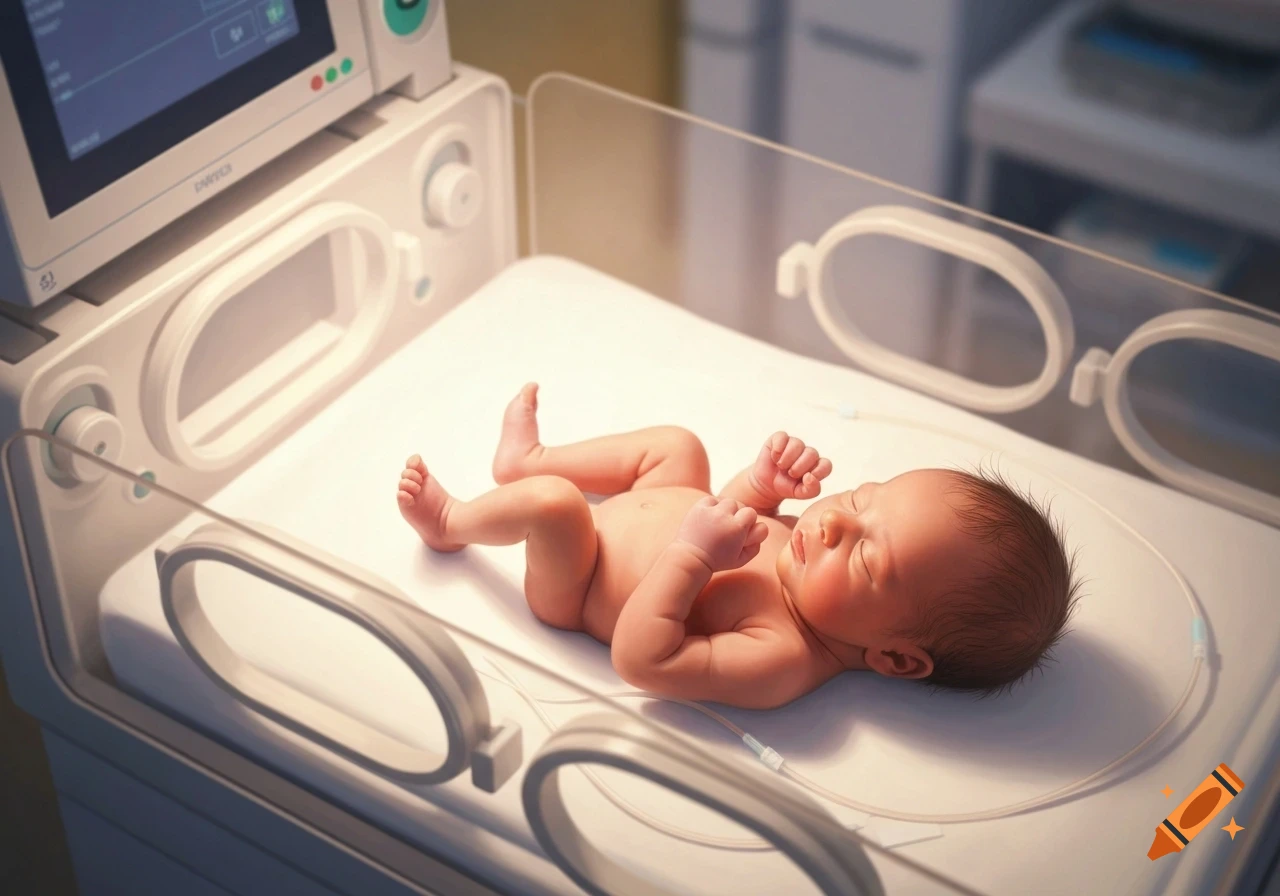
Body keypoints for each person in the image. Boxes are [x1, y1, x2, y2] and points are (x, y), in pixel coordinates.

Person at [396, 384, 1079, 709]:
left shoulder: (781, 659)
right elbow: (727, 514)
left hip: (580, 580)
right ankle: (528, 459)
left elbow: (642, 659)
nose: (835, 520)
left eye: (868, 557)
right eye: (863, 497)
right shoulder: (809, 561)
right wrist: (758, 489)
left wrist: (691, 559)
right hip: (671, 514)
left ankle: (452, 522)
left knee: (557, 508)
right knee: (678, 447)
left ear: (896, 656)